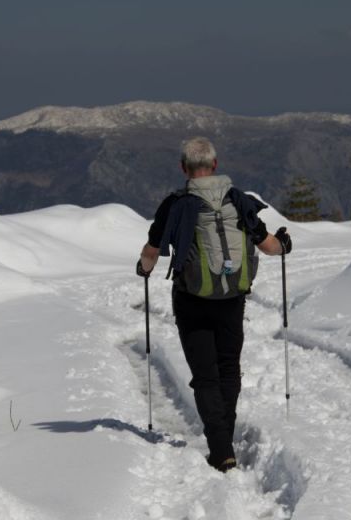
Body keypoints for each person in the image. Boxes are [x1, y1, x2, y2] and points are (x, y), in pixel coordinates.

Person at [136, 136, 292, 473]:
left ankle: (221, 450)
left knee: (205, 376)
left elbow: (152, 251)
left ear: (184, 168)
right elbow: (267, 247)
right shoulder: (240, 201)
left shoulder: (176, 204)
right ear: (216, 165)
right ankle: (225, 441)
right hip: (232, 298)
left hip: (191, 300)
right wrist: (283, 244)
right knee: (228, 368)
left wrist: (144, 269)